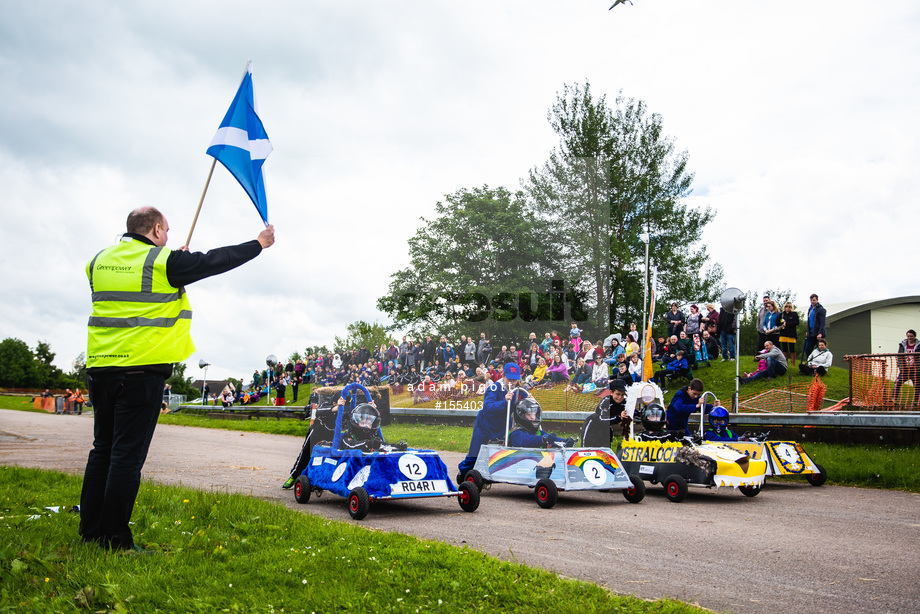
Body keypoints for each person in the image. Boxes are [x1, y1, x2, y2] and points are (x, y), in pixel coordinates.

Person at [80, 206, 274, 551]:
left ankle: (91, 530)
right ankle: (115, 539)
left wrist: (172, 261)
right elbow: (215, 260)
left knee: (102, 451)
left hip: (99, 368)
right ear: (155, 229)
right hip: (140, 371)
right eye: (166, 230)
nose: (168, 236)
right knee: (126, 457)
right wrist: (258, 244)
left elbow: (138, 287)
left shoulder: (98, 260)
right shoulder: (162, 261)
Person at [457, 363, 529, 480]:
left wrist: (528, 399)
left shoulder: (520, 389)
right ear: (503, 376)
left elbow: (523, 405)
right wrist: (505, 401)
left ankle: (498, 472)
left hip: (504, 424)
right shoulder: (494, 388)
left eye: (515, 380)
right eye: (509, 379)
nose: (512, 383)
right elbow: (488, 407)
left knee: (502, 451)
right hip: (486, 424)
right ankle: (463, 473)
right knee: (475, 454)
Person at [506, 397, 575, 449]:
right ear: (521, 415)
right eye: (529, 414)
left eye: (534, 414)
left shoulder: (540, 433)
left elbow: (553, 440)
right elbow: (528, 440)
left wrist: (565, 441)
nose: (533, 417)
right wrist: (543, 440)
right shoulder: (516, 434)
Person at [581, 379, 631, 447]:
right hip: (593, 428)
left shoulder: (624, 402)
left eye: (622, 395)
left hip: (606, 430)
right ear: (611, 392)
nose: (620, 397)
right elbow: (602, 419)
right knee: (587, 452)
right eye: (618, 394)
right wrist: (619, 417)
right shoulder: (606, 401)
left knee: (605, 454)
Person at [893, 330, 919, 405]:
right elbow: (899, 356)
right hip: (905, 370)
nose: (909, 338)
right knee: (897, 383)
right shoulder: (902, 345)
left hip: (916, 369)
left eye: (911, 336)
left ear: (914, 336)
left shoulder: (919, 345)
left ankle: (916, 402)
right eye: (908, 336)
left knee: (917, 386)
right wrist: (901, 367)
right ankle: (894, 399)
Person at [801, 294, 827, 364]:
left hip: (818, 333)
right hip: (811, 332)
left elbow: (822, 322)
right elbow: (809, 321)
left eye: (814, 300)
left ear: (817, 300)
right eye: (811, 300)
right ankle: (809, 362)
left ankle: (819, 363)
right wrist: (808, 331)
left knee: (819, 349)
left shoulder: (821, 310)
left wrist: (820, 333)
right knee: (808, 348)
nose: (812, 302)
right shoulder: (810, 309)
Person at [778, 301, 800, 367]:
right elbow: (777, 322)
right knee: (784, 349)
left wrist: (787, 324)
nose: (788, 308)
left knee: (792, 349)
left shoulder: (794, 314)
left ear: (791, 308)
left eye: (789, 307)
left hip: (791, 334)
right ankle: (785, 363)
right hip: (783, 334)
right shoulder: (782, 314)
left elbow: (797, 322)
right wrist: (782, 324)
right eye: (786, 307)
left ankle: (793, 364)